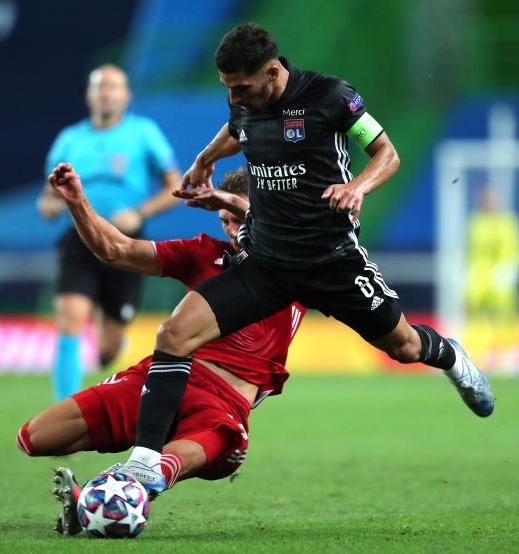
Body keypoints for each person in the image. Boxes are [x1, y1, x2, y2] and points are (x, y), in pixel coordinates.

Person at [95, 23, 495, 496]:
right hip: (266, 262)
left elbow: (386, 152)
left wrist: (357, 187)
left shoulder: (331, 96)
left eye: (243, 86)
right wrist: (205, 158)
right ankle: (143, 464)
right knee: (174, 335)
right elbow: (236, 129)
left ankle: (452, 358)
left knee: (404, 347)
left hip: (332, 261)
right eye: (229, 88)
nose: (236, 96)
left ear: (272, 71)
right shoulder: (243, 101)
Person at [18, 166, 305, 535]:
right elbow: (116, 249)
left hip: (221, 406)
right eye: (224, 222)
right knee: (34, 438)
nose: (233, 231)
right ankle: (112, 492)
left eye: (239, 218)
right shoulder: (204, 254)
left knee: (169, 463)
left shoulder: (298, 264)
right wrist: (78, 203)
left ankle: (116, 489)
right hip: (162, 379)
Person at [37, 64, 182, 402]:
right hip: (80, 239)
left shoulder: (143, 133)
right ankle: (64, 412)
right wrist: (49, 205)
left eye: (113, 87)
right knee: (70, 321)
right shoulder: (70, 139)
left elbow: (173, 184)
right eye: (99, 87)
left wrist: (139, 212)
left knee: (109, 347)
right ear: (89, 95)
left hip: (126, 244)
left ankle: (110, 341)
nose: (105, 92)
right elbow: (47, 194)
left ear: (126, 95)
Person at [465, 186, 519, 354]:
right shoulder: (476, 222)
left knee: (505, 312)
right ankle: (477, 352)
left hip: (500, 274)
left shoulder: (508, 222)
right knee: (475, 313)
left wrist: (510, 269)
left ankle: (507, 352)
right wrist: (469, 270)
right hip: (479, 275)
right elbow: (471, 249)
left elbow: (514, 248)